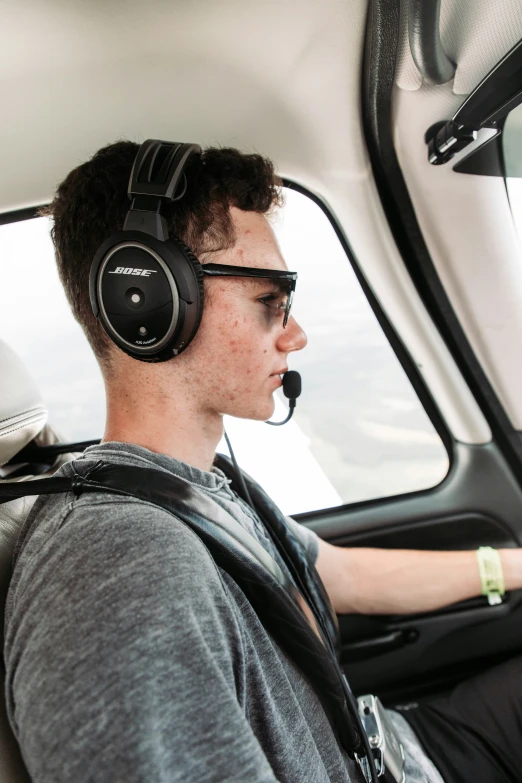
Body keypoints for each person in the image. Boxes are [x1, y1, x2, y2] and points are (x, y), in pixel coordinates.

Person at [4, 140, 522, 783]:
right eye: (268, 300)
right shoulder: (122, 569)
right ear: (147, 302)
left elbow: (337, 574)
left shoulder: (196, 486)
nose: (296, 333)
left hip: (394, 750)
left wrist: (512, 566)